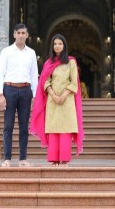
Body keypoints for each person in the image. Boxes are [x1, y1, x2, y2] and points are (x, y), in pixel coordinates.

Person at [30, 34, 84, 167]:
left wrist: (63, 95)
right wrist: (53, 95)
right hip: (53, 101)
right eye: (55, 44)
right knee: (54, 129)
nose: (57, 46)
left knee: (65, 129)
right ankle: (54, 159)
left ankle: (64, 159)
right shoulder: (49, 63)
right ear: (52, 46)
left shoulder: (71, 62)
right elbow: (45, 81)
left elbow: (74, 82)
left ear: (64, 46)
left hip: (67, 101)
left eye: (60, 44)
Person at [0, 23, 38, 167]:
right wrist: (0, 94)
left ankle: (22, 159)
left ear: (27, 35)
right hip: (9, 90)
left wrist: (35, 95)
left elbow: (34, 76)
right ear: (14, 35)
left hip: (26, 91)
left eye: (23, 33)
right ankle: (7, 159)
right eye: (18, 33)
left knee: (24, 127)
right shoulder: (6, 52)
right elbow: (0, 73)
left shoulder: (31, 53)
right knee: (8, 126)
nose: (21, 35)